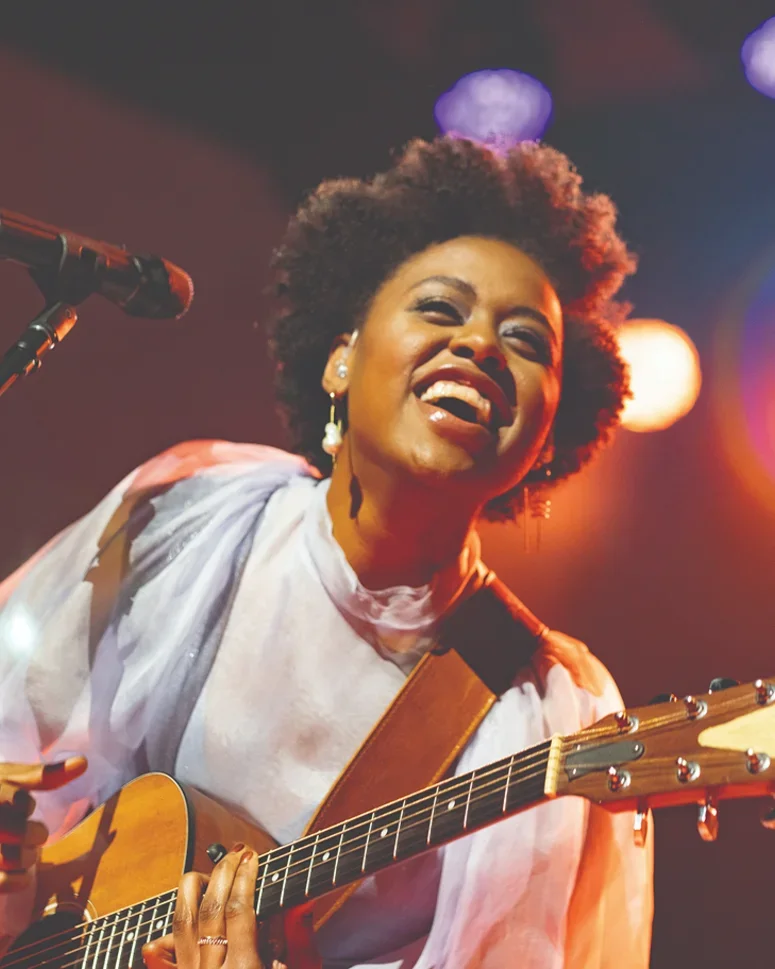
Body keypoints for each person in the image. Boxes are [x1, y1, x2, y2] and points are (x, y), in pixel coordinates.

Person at [0, 136, 653, 968]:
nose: (482, 346)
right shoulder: (199, 511)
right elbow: (16, 730)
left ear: (548, 432)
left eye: (525, 341)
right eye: (440, 309)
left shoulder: (546, 715)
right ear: (341, 357)